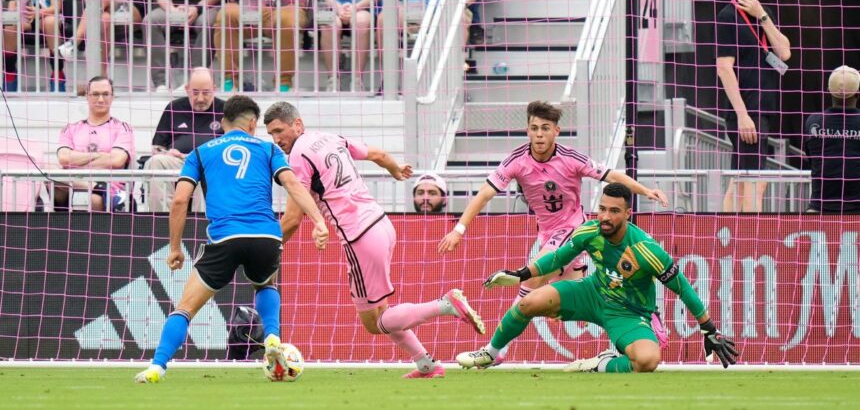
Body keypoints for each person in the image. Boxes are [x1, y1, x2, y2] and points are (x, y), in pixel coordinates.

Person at [264, 102, 485, 379]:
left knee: (373, 322)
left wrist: (268, 246)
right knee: (383, 311)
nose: (276, 139)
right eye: (271, 134)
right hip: (381, 223)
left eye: (280, 131)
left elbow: (293, 218)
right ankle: (427, 365)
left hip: (359, 236)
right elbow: (378, 154)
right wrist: (395, 170)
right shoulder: (331, 139)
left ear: (297, 124)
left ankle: (445, 304)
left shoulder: (296, 156)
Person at [437, 101, 669, 364]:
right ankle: (645, 321)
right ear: (527, 130)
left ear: (556, 131)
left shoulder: (571, 158)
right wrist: (459, 229)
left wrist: (646, 191)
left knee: (529, 283)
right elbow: (485, 194)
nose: (538, 134)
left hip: (575, 230)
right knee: (565, 307)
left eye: (545, 128)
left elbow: (610, 175)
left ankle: (493, 351)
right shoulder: (517, 160)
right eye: (534, 128)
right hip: (547, 234)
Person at [135, 95, 329, 383]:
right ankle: (273, 337)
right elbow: (292, 183)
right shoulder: (268, 149)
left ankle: (157, 366)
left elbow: (179, 201)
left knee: (185, 308)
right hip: (265, 234)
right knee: (265, 283)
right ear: (252, 123)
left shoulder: (200, 153)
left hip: (225, 236)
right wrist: (318, 221)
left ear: (223, 123)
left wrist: (175, 248)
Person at [457, 183, 739, 372]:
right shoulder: (588, 231)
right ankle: (491, 353)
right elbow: (556, 260)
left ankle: (601, 364)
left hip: (628, 312)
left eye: (614, 211)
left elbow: (684, 289)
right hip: (592, 293)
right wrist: (521, 274)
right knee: (528, 303)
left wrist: (709, 329)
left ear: (628, 214)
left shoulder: (646, 250)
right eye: (602, 208)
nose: (605, 216)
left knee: (648, 361)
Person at [716, 0, 791, 212]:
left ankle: (725, 236)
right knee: (752, 181)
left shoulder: (765, 13)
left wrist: (763, 16)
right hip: (748, 110)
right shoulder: (728, 16)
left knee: (742, 180)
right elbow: (724, 68)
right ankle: (750, 241)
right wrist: (742, 115)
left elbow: (784, 53)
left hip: (763, 106)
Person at [209, 0, 310, 92]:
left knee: (288, 19)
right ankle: (230, 81)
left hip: (283, 6)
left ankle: (284, 83)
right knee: (226, 13)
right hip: (244, 7)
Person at [144, 68, 224, 212]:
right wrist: (167, 153)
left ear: (214, 89)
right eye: (195, 92)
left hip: (211, 162)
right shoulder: (174, 108)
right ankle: (162, 222)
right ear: (187, 90)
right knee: (155, 162)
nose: (200, 98)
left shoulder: (225, 109)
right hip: (178, 161)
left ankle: (201, 226)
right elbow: (157, 147)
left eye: (206, 92)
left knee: (205, 166)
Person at [54, 76, 135, 212]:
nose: (101, 99)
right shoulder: (70, 128)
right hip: (75, 183)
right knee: (48, 169)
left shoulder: (123, 128)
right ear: (87, 96)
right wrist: (100, 156)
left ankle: (98, 191)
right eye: (95, 94)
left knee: (95, 199)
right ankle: (95, 187)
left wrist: (77, 160)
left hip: (111, 186)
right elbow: (63, 158)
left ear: (112, 97)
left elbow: (116, 160)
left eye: (105, 94)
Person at [57, 0, 146, 77]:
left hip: (130, 5)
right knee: (104, 19)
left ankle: (74, 42)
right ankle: (102, 77)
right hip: (100, 7)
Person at [143, 0, 218, 93]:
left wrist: (196, 8)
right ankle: (162, 83)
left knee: (208, 23)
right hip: (172, 7)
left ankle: (194, 80)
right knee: (151, 21)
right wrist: (173, 11)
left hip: (205, 7)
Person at [312, 0, 380, 92]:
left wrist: (356, 7)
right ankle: (332, 80)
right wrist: (337, 7)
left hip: (364, 6)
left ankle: (357, 80)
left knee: (361, 22)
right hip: (332, 5)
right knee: (329, 24)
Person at [2, 0, 65, 92]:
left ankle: (58, 76)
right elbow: (11, 7)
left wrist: (39, 12)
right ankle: (9, 76)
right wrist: (20, 15)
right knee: (9, 25)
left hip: (46, 15)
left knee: (50, 22)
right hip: (23, 18)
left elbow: (57, 7)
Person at [803, 65, 860, 214]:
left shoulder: (813, 121)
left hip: (820, 209)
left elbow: (811, 159)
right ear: (857, 93)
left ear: (828, 91)